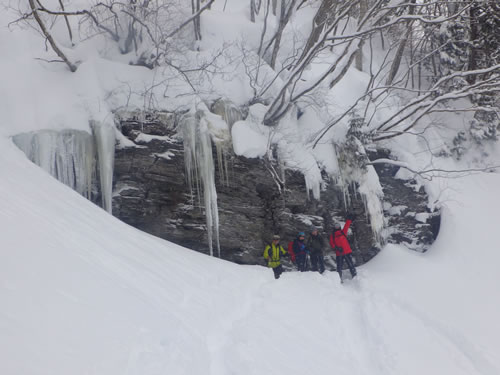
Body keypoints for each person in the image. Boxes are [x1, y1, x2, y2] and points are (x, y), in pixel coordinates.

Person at [330, 215, 357, 282]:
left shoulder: (343, 232)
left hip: (347, 251)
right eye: (336, 226)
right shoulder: (332, 235)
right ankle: (339, 278)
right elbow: (332, 243)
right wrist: (337, 248)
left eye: (338, 226)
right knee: (339, 266)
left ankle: (355, 276)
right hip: (339, 253)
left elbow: (346, 226)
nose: (337, 227)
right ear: (334, 227)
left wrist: (349, 219)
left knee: (350, 264)